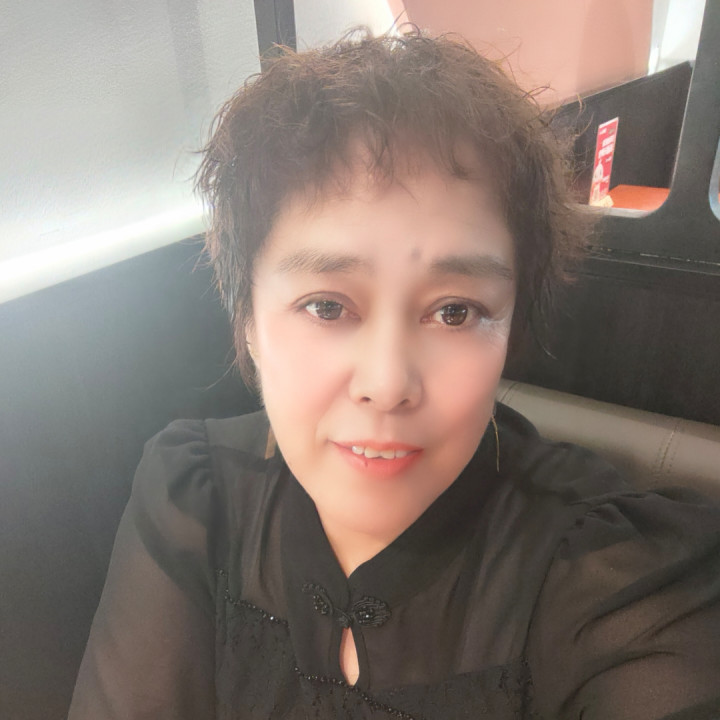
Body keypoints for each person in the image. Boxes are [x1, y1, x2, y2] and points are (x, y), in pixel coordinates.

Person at [69, 29, 720, 720]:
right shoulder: (194, 499)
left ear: (510, 329)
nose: (386, 383)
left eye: (454, 312)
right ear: (249, 322)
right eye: (326, 306)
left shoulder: (617, 578)